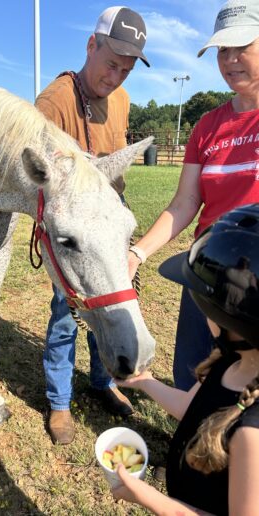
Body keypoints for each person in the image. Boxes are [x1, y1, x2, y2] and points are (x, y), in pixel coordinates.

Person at [128, 0, 259, 391]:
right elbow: (185, 203)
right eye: (223, 50)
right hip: (206, 271)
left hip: (255, 284)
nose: (231, 59)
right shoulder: (207, 126)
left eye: (242, 47)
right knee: (193, 370)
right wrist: (137, 254)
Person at [35, 6, 150, 444]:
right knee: (69, 313)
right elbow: (43, 180)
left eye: (126, 68)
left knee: (117, 305)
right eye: (111, 63)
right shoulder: (55, 101)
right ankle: (60, 401)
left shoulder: (120, 99)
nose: (116, 76)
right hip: (78, 231)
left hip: (109, 222)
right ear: (91, 45)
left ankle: (103, 382)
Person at [113, 203, 259, 515]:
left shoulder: (252, 433)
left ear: (233, 323)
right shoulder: (228, 363)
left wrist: (150, 498)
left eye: (204, 309)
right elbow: (191, 408)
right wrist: (147, 383)